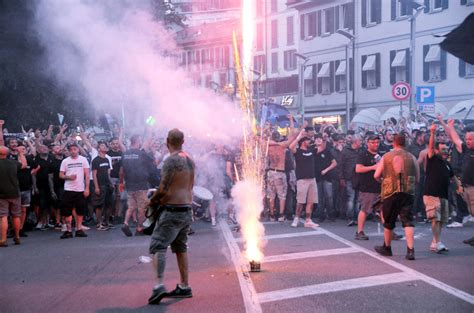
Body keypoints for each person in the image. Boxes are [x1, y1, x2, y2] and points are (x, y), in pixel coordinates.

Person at [147, 129, 195, 305]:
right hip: (187, 209)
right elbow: (191, 185)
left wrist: (152, 201)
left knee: (157, 245)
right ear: (183, 141)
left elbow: (164, 187)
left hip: (173, 210)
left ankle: (158, 286)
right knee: (180, 247)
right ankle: (184, 286)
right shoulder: (190, 159)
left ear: (168, 141)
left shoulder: (170, 160)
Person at [374, 134, 419, 260]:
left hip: (391, 192)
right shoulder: (412, 157)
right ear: (405, 143)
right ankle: (410, 250)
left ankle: (387, 248)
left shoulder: (387, 156)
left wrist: (383, 181)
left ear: (394, 143)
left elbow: (376, 175)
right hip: (407, 192)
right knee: (408, 220)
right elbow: (418, 178)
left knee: (389, 221)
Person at [423, 123, 462, 253]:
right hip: (432, 194)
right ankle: (436, 242)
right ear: (436, 151)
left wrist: (458, 188)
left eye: (446, 150)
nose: (445, 152)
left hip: (443, 195)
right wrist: (432, 133)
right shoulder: (432, 158)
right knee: (435, 219)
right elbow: (430, 146)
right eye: (443, 150)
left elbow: (453, 176)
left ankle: (436, 241)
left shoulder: (446, 164)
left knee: (441, 221)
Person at [441, 118, 474, 246]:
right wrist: (451, 127)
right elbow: (456, 140)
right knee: (472, 212)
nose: (468, 141)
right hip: (467, 187)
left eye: (470, 139)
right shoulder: (466, 149)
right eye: (467, 139)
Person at [119, 135, 154, 236]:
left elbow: (121, 171)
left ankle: (125, 223)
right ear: (138, 141)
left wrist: (121, 182)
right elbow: (153, 162)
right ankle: (139, 228)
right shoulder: (141, 154)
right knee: (141, 208)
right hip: (141, 185)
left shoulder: (125, 154)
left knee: (131, 207)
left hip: (129, 184)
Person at [59, 143, 90, 239]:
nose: (73, 151)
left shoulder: (83, 159)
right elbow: (61, 175)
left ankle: (79, 229)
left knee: (80, 210)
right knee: (67, 211)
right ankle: (68, 230)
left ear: (78, 150)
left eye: (75, 149)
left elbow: (87, 175)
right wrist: (68, 177)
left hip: (80, 189)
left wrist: (87, 188)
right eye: (71, 149)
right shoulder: (65, 161)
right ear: (69, 151)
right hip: (69, 189)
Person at [289, 129, 319, 228]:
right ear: (303, 142)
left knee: (311, 201)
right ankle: (296, 218)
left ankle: (308, 220)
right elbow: (291, 146)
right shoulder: (298, 152)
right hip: (302, 180)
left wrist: (321, 138)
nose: (309, 142)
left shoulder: (311, 150)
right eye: (307, 140)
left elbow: (321, 147)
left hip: (312, 179)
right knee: (300, 201)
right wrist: (299, 137)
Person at [354, 135, 381, 240]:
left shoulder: (379, 155)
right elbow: (358, 169)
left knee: (383, 209)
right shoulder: (363, 154)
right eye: (373, 142)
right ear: (367, 143)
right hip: (367, 186)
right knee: (365, 209)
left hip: (379, 185)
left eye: (377, 142)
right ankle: (359, 231)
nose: (376, 144)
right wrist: (373, 167)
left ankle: (390, 231)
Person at [0, 146, 27, 247]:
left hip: (1, 194)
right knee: (16, 215)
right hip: (15, 192)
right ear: (7, 154)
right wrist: (20, 153)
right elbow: (24, 165)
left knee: (3, 216)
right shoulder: (13, 163)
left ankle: (3, 239)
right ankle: (17, 237)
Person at [266, 131, 291, 222]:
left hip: (271, 172)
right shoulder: (283, 146)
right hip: (280, 172)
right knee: (282, 196)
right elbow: (292, 138)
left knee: (271, 195)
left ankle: (272, 215)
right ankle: (281, 215)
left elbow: (261, 141)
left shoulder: (268, 146)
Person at [314, 133, 337, 222]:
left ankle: (331, 214)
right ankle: (321, 216)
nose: (319, 140)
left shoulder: (327, 151)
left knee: (329, 197)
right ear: (314, 140)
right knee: (319, 198)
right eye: (317, 139)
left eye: (320, 139)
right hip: (317, 177)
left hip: (327, 177)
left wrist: (326, 170)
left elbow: (334, 163)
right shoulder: (312, 151)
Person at [339, 135, 362, 226]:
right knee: (351, 198)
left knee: (358, 199)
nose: (361, 142)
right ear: (355, 142)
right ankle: (350, 218)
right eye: (360, 140)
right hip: (349, 178)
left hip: (359, 178)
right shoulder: (345, 151)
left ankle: (356, 218)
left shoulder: (361, 151)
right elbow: (340, 165)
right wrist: (341, 178)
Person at [91, 141, 114, 231]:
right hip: (100, 185)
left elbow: (108, 173)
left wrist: (111, 183)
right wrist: (96, 187)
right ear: (98, 149)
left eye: (105, 145)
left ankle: (106, 222)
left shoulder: (107, 159)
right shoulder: (95, 160)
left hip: (108, 185)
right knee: (99, 205)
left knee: (109, 204)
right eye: (102, 146)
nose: (105, 147)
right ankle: (99, 224)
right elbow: (94, 174)